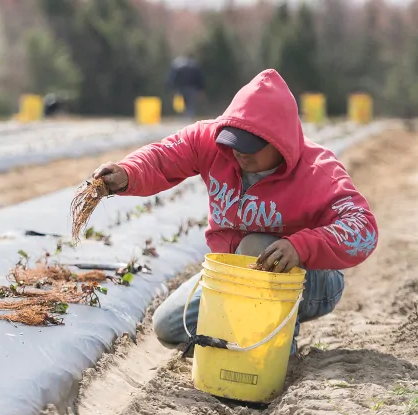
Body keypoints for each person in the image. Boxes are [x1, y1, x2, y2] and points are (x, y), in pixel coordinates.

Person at [92, 69, 378, 356]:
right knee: (169, 326)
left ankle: (273, 352)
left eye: (251, 146)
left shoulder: (318, 171)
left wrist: (300, 246)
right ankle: (236, 334)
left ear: (281, 141)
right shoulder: (213, 143)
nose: (240, 153)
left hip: (309, 281)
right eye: (234, 141)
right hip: (235, 274)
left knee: (255, 245)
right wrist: (128, 172)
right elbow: (164, 156)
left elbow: (362, 228)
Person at [166, 55, 205, 119]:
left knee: (180, 105)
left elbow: (172, 78)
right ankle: (189, 118)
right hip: (192, 89)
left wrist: (171, 87)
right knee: (190, 105)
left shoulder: (177, 65)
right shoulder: (195, 65)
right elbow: (199, 78)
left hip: (180, 89)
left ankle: (182, 118)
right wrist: (201, 89)